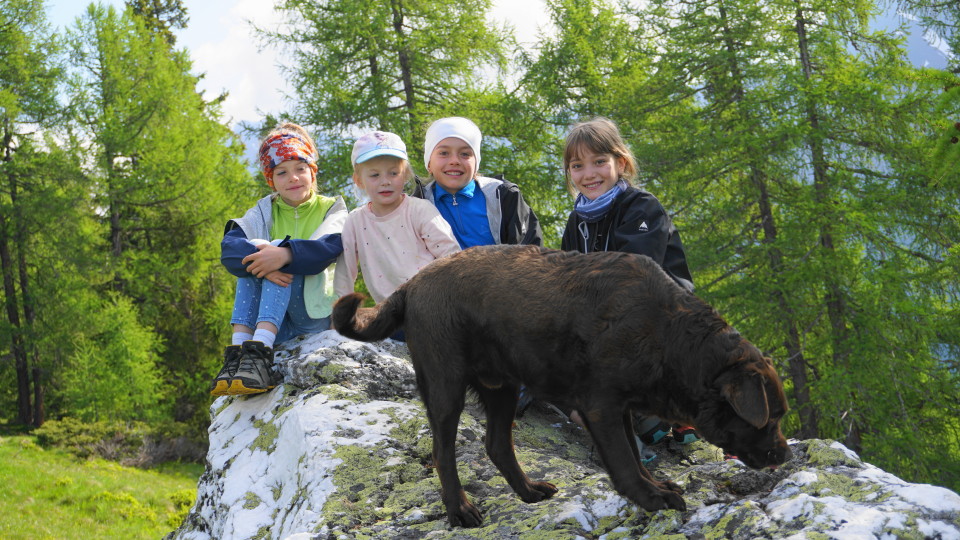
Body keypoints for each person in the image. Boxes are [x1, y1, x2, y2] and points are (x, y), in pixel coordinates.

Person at [560, 116, 700, 449]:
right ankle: (642, 421)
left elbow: (636, 273)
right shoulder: (577, 219)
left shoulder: (642, 207)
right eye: (577, 166)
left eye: (599, 162)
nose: (589, 173)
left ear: (620, 163)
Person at [210, 123, 347, 396]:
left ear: (312, 171)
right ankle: (239, 351)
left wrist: (282, 255)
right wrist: (265, 262)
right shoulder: (264, 210)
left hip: (313, 314)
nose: (293, 178)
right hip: (276, 323)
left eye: (300, 168)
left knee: (269, 248)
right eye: (281, 172)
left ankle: (259, 353)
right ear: (271, 180)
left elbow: (325, 250)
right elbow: (230, 249)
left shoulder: (332, 208)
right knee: (255, 250)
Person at [333, 130, 461, 340]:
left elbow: (451, 256)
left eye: (393, 173)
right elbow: (345, 272)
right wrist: (342, 319)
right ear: (359, 180)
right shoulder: (356, 220)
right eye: (374, 175)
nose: (385, 181)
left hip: (431, 308)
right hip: (390, 315)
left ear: (406, 174)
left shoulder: (420, 210)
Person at [412, 116, 543, 248]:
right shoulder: (415, 205)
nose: (454, 161)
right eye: (444, 153)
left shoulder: (503, 197)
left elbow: (530, 254)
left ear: (476, 164)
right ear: (429, 163)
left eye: (465, 154)